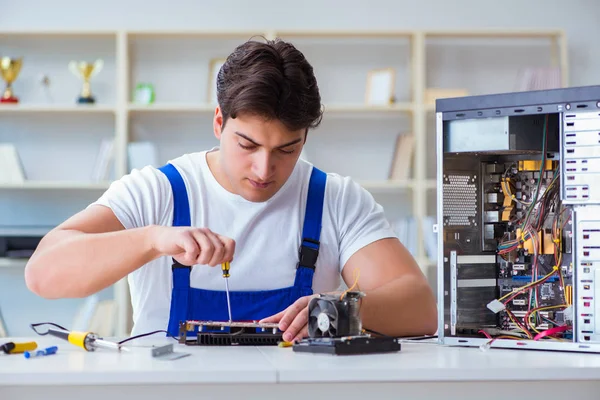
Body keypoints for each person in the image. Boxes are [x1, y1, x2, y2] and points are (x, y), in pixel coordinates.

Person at [24, 37, 437, 342]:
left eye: (286, 149)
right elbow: (43, 275)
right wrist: (154, 239)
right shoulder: (158, 191)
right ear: (219, 122)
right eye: (248, 145)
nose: (264, 169)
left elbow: (421, 308)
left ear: (305, 139)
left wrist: (339, 307)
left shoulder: (335, 199)